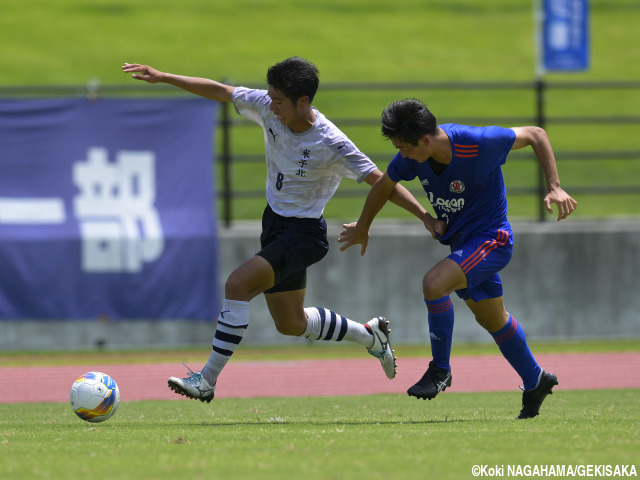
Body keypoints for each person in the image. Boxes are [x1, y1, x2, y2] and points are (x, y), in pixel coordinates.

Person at [122, 58, 428, 402]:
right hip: (275, 224)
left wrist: (425, 217)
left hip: (303, 235)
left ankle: (206, 380)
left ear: (303, 101)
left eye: (279, 100)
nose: (272, 104)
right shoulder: (268, 107)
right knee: (291, 323)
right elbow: (221, 91)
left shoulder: (331, 142)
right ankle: (371, 336)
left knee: (237, 285)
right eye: (271, 96)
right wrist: (164, 77)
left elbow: (383, 181)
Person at [338, 98, 577, 419]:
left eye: (404, 148)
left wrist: (555, 187)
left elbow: (536, 133)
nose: (401, 155)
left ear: (425, 140)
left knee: (434, 284)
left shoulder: (478, 143)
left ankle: (440, 370)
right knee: (493, 320)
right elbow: (384, 186)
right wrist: (373, 225)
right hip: (463, 248)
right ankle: (536, 380)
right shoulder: (414, 156)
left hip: (493, 240)